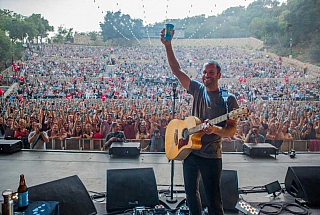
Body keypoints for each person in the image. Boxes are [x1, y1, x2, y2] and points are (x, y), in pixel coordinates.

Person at [161, 29, 238, 215]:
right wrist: (168, 46)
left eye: (211, 72)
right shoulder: (196, 89)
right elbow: (176, 70)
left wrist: (215, 130)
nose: (207, 75)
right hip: (189, 152)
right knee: (190, 196)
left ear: (219, 75)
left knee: (213, 199)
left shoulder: (228, 99)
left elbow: (231, 131)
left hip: (211, 155)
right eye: (204, 72)